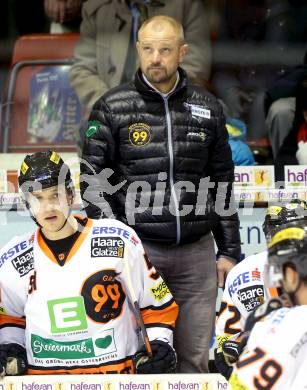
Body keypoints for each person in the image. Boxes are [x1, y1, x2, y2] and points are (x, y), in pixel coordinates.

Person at [80, 15, 241, 373]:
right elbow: (93, 184)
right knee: (140, 363)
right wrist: (119, 244)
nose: (156, 58)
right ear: (137, 50)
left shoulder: (208, 108)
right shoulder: (111, 107)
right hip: (139, 254)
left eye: (165, 50)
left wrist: (229, 251)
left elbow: (222, 183)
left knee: (195, 363)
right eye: (148, 49)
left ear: (182, 52)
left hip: (197, 258)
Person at [0, 151, 178, 375]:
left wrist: (160, 343)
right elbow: (11, 318)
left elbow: (156, 304)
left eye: (55, 195)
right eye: (38, 198)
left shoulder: (118, 239)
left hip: (116, 381)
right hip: (45, 382)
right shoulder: (13, 259)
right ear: (27, 203)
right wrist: (12, 348)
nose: (48, 207)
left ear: (70, 193)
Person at [214, 199, 307, 379]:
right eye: (280, 235)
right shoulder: (243, 274)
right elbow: (227, 341)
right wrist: (232, 352)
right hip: (268, 367)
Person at [69, 0, 212, 112]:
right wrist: (112, 105)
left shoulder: (187, 5)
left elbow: (195, 67)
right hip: (111, 111)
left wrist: (157, 102)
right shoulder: (98, 8)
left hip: (170, 109)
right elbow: (82, 71)